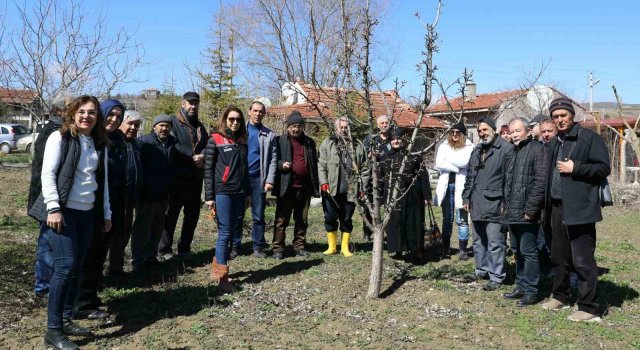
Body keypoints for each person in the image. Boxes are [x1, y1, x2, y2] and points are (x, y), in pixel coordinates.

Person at [27, 95, 111, 350]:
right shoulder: (60, 137)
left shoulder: (98, 143)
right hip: (63, 213)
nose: (87, 116)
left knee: (77, 267)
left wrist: (106, 212)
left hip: (87, 214)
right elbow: (48, 174)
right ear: (73, 113)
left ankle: (65, 318)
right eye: (83, 111)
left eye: (93, 113)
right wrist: (53, 208)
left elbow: (102, 182)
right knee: (65, 267)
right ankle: (53, 331)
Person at [541, 97, 610, 322]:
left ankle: (589, 307)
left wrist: (576, 167)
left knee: (582, 258)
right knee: (559, 255)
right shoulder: (556, 141)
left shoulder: (589, 138)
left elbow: (603, 168)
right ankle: (560, 295)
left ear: (572, 115)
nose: (560, 120)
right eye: (555, 117)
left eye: (563, 115)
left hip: (580, 208)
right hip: (557, 206)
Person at [75, 98, 125, 320]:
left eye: (118, 116)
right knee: (87, 256)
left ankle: (90, 297)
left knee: (98, 255)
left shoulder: (113, 141)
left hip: (108, 207)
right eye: (110, 115)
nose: (114, 120)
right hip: (87, 207)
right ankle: (80, 304)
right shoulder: (89, 141)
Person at [28, 91, 74, 298]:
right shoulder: (52, 132)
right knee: (47, 242)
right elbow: (44, 171)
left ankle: (53, 284)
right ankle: (43, 287)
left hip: (58, 196)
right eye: (70, 107)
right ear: (58, 110)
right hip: (46, 197)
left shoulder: (66, 130)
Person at [462, 116, 514, 291]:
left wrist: (505, 203)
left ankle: (497, 276)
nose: (482, 133)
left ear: (493, 129)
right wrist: (465, 197)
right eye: (479, 131)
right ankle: (481, 270)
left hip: (496, 202)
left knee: (495, 242)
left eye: (485, 129)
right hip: (476, 202)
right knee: (478, 241)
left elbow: (510, 180)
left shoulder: (506, 149)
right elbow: (470, 176)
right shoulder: (477, 150)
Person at [204, 106, 249, 293]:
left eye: (238, 119)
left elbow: (244, 169)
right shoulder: (214, 139)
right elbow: (208, 169)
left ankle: (216, 270)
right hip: (223, 192)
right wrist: (209, 197)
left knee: (231, 231)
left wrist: (247, 194)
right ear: (225, 119)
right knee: (224, 233)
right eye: (231, 119)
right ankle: (223, 278)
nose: (235, 122)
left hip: (239, 193)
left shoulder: (242, 141)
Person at [501, 117, 546, 307]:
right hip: (512, 212)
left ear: (527, 131)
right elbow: (508, 183)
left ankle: (531, 291)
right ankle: (520, 286)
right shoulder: (512, 152)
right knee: (518, 251)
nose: (514, 134)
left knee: (529, 252)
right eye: (511, 132)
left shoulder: (537, 150)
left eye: (517, 131)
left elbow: (540, 182)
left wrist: (531, 209)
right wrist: (505, 205)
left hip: (527, 213)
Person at [158, 91, 207, 261]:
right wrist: (191, 155)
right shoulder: (173, 121)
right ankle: (164, 249)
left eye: (196, 103)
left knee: (192, 215)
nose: (193, 106)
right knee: (171, 215)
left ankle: (184, 248)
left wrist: (203, 156)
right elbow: (172, 144)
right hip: (177, 178)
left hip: (195, 178)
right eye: (190, 103)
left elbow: (207, 145)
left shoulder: (200, 125)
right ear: (183, 103)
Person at [267, 111, 320, 259]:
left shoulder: (309, 142)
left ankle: (299, 246)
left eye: (298, 126)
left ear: (303, 127)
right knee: (281, 219)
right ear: (288, 127)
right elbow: (273, 160)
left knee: (302, 220)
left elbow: (314, 164)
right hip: (286, 187)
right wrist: (280, 164)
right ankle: (278, 249)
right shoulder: (280, 140)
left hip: (304, 188)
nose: (295, 129)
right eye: (292, 126)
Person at [130, 115, 175, 273]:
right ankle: (137, 261)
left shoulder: (171, 142)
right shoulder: (144, 142)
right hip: (146, 195)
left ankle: (151, 257)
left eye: (167, 126)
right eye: (161, 125)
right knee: (142, 228)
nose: (164, 128)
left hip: (163, 195)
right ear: (154, 126)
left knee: (157, 228)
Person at [318, 117, 368, 257]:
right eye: (342, 127)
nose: (344, 130)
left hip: (350, 191)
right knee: (330, 217)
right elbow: (321, 165)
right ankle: (332, 247)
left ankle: (345, 248)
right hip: (331, 189)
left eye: (347, 127)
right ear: (336, 128)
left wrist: (361, 187)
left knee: (346, 219)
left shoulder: (358, 145)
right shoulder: (328, 143)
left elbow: (365, 168)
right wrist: (323, 182)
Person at [381, 129, 431, 262]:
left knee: (413, 223)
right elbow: (381, 178)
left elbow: (423, 176)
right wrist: (381, 197)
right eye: (393, 139)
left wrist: (426, 196)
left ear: (404, 140)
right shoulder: (385, 157)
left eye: (398, 139)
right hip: (393, 197)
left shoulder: (413, 156)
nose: (396, 141)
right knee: (395, 224)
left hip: (412, 196)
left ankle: (416, 250)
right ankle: (397, 249)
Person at [108, 110, 143, 274]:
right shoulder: (113, 142)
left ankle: (116, 268)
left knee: (124, 234)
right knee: (109, 236)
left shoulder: (136, 145)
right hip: (113, 199)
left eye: (137, 125)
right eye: (130, 124)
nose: (133, 128)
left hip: (130, 199)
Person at [241, 101, 276, 259]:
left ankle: (258, 247)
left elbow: (273, 160)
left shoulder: (269, 134)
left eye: (261, 111)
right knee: (237, 214)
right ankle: (235, 246)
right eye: (255, 110)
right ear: (249, 112)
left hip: (258, 179)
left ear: (264, 114)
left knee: (258, 215)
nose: (257, 114)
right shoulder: (240, 130)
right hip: (240, 179)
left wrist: (269, 180)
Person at [434, 120, 474, 260]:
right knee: (447, 219)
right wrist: (456, 167)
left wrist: (448, 162)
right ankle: (445, 249)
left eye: (458, 132)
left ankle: (462, 249)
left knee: (462, 220)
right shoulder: (444, 146)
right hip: (447, 187)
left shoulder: (469, 146)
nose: (455, 135)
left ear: (463, 134)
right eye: (452, 132)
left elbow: (465, 162)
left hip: (462, 188)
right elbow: (438, 163)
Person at [362, 115, 393, 241]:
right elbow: (363, 156)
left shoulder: (393, 139)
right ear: (378, 125)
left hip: (388, 177)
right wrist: (371, 154)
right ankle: (367, 231)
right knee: (370, 205)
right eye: (382, 123)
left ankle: (386, 231)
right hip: (373, 177)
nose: (384, 125)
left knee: (388, 204)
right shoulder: (371, 139)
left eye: (386, 122)